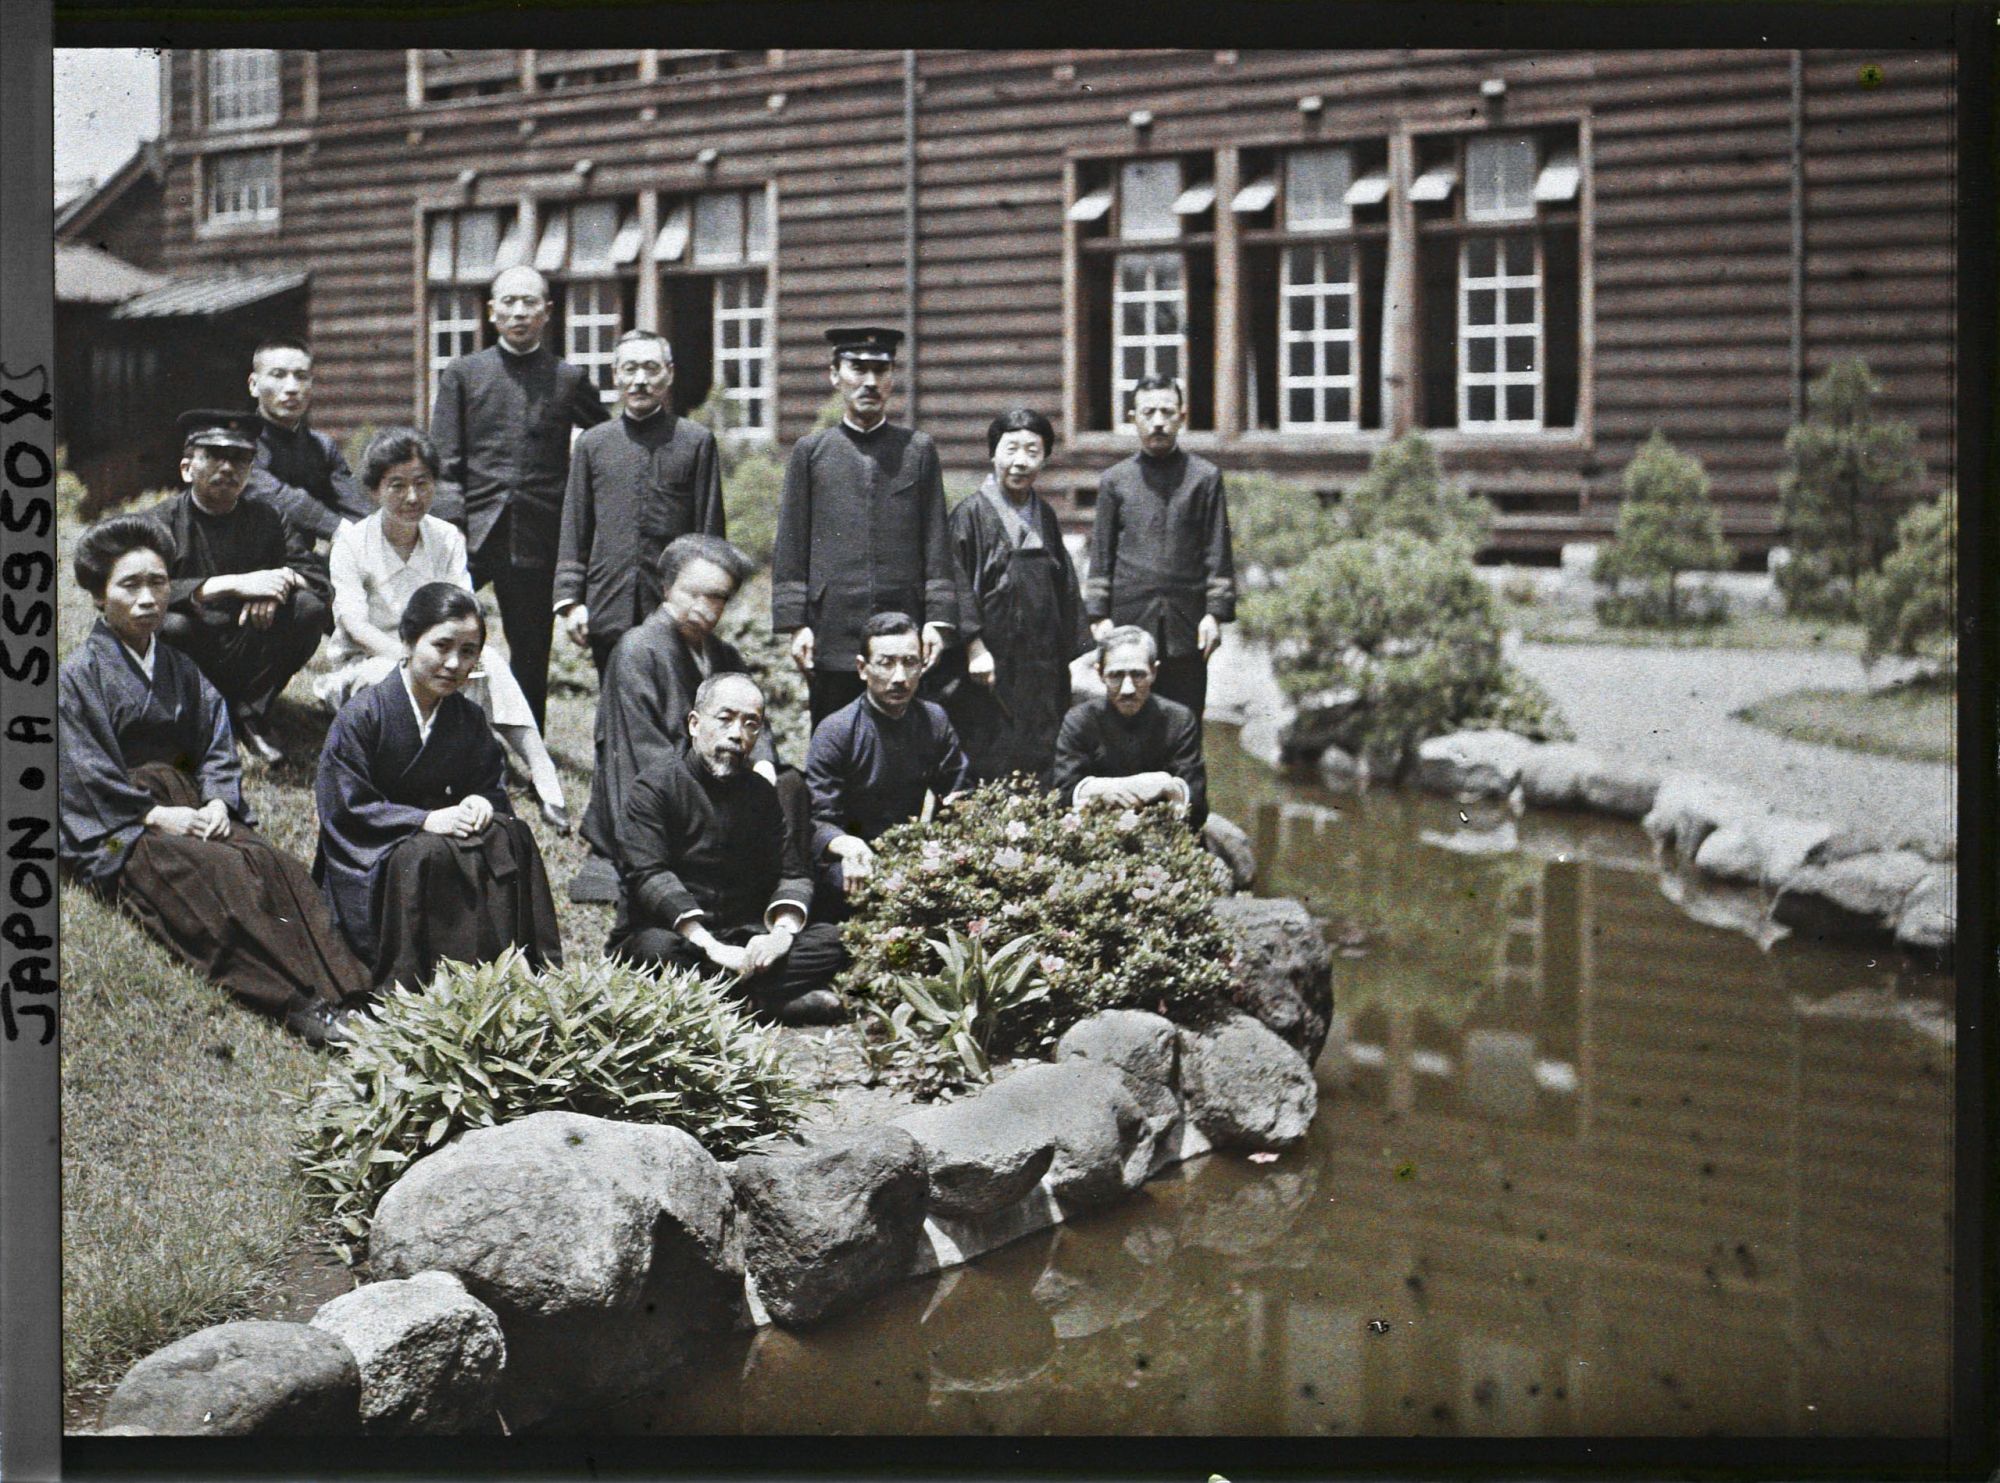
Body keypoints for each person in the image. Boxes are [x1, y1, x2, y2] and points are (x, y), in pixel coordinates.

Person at [58, 516, 369, 1046]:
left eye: (158, 583)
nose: (147, 598)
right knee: (213, 877)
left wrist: (220, 802)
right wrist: (156, 815)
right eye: (129, 585)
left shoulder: (179, 665)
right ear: (98, 596)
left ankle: (350, 989)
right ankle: (299, 1003)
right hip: (117, 825)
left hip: (190, 804)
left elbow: (215, 743)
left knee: (272, 865)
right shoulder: (77, 677)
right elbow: (83, 771)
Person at [314, 427, 570, 830]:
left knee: (489, 662)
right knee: (388, 676)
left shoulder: (445, 537)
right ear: (375, 489)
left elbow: (464, 610)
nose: (412, 497)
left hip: (439, 653)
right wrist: (410, 658)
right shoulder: (352, 541)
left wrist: (446, 655)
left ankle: (542, 771)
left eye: (422, 483)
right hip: (369, 660)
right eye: (397, 485)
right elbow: (354, 624)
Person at [314, 582, 562, 996]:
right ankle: (419, 980)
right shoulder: (363, 715)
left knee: (510, 835)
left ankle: (506, 970)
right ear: (408, 641)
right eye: (441, 646)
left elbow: (488, 784)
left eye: (468, 651)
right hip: (377, 851)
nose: (453, 663)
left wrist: (481, 802)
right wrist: (424, 820)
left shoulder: (466, 717)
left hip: (440, 838)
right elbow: (345, 806)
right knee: (425, 852)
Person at [430, 263, 610, 729]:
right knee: (439, 631)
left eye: (529, 302)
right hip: (471, 531)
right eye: (508, 302)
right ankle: (432, 731)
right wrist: (452, 527)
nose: (519, 312)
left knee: (531, 650)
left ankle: (530, 751)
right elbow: (444, 459)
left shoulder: (567, 378)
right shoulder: (464, 374)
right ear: (492, 311)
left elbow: (607, 440)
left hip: (537, 535)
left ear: (546, 312)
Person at [610, 673, 846, 1026]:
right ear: (694, 723)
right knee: (655, 951)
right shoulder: (656, 787)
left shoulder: (762, 794)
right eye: (725, 719)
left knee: (834, 940)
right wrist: (712, 947)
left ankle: (729, 1002)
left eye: (751, 724)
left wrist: (779, 936)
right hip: (681, 937)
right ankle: (763, 1002)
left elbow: (792, 872)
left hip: (744, 937)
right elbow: (649, 874)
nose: (737, 733)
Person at [772, 326, 960, 729]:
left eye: (881, 370)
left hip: (902, 632)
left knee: (905, 742)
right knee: (834, 738)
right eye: (858, 369)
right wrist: (797, 625)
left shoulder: (918, 451)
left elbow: (937, 542)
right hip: (832, 630)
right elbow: (791, 543)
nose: (870, 382)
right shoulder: (811, 453)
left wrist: (937, 621)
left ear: (892, 377)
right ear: (834, 375)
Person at [576, 533, 779, 898]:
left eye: (717, 597)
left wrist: (764, 767)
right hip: (662, 800)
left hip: (715, 785)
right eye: (693, 593)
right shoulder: (638, 650)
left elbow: (757, 727)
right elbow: (643, 755)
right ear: (667, 587)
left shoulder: (724, 655)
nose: (704, 606)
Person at [152, 408, 333, 766]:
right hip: (192, 646)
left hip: (250, 646)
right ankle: (191, 718)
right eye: (214, 456)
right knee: (170, 624)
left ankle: (252, 713)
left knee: (309, 607)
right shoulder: (160, 522)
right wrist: (234, 585)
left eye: (239, 458)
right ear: (187, 469)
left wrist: (277, 585)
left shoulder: (269, 517)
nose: (227, 468)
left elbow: (316, 577)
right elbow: (143, 589)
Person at [932, 408, 1091, 787]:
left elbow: (1065, 589)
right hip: (988, 663)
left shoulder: (1045, 515)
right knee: (987, 751)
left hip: (1040, 664)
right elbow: (954, 585)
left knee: (1041, 750)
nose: (1020, 461)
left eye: (1032, 451)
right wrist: (973, 648)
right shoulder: (969, 515)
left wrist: (1072, 652)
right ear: (993, 454)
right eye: (1011, 449)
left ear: (1044, 458)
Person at [555, 329, 726, 673]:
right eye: (630, 369)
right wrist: (571, 602)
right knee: (614, 700)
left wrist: (706, 602)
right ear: (615, 375)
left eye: (651, 368)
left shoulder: (695, 442)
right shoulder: (593, 444)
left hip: (676, 611)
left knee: (676, 700)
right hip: (608, 605)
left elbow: (710, 533)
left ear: (669, 374)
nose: (640, 380)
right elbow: (575, 527)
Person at [1084, 374, 1237, 721]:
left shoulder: (1205, 478)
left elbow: (1218, 550)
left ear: (1182, 417)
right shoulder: (1115, 480)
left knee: (1184, 721)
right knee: (1128, 720)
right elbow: (1101, 552)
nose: (1158, 422)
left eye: (1167, 412)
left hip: (1188, 623)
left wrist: (1214, 614)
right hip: (1129, 621)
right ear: (1132, 417)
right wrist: (1099, 616)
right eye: (1148, 412)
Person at [806, 612, 973, 911]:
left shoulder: (933, 720)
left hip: (911, 853)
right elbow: (819, 819)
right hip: (852, 858)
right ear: (862, 668)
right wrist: (847, 845)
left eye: (910, 662)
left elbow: (959, 793)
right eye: (886, 663)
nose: (899, 677)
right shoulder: (836, 730)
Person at [1052, 625, 1208, 831]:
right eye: (1116, 676)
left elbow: (1197, 808)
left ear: (1154, 672)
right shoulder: (1079, 720)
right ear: (1100, 673)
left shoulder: (1179, 720)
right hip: (1097, 835)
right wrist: (1101, 788)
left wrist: (1168, 786)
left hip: (1160, 834)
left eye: (1138, 675)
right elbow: (1061, 797)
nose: (1128, 689)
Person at [241, 336, 374, 543]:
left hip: (309, 559)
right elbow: (275, 495)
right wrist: (338, 528)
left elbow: (355, 506)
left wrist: (370, 534)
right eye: (278, 375)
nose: (292, 387)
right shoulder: (240, 444)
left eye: (301, 376)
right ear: (254, 385)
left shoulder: (322, 447)